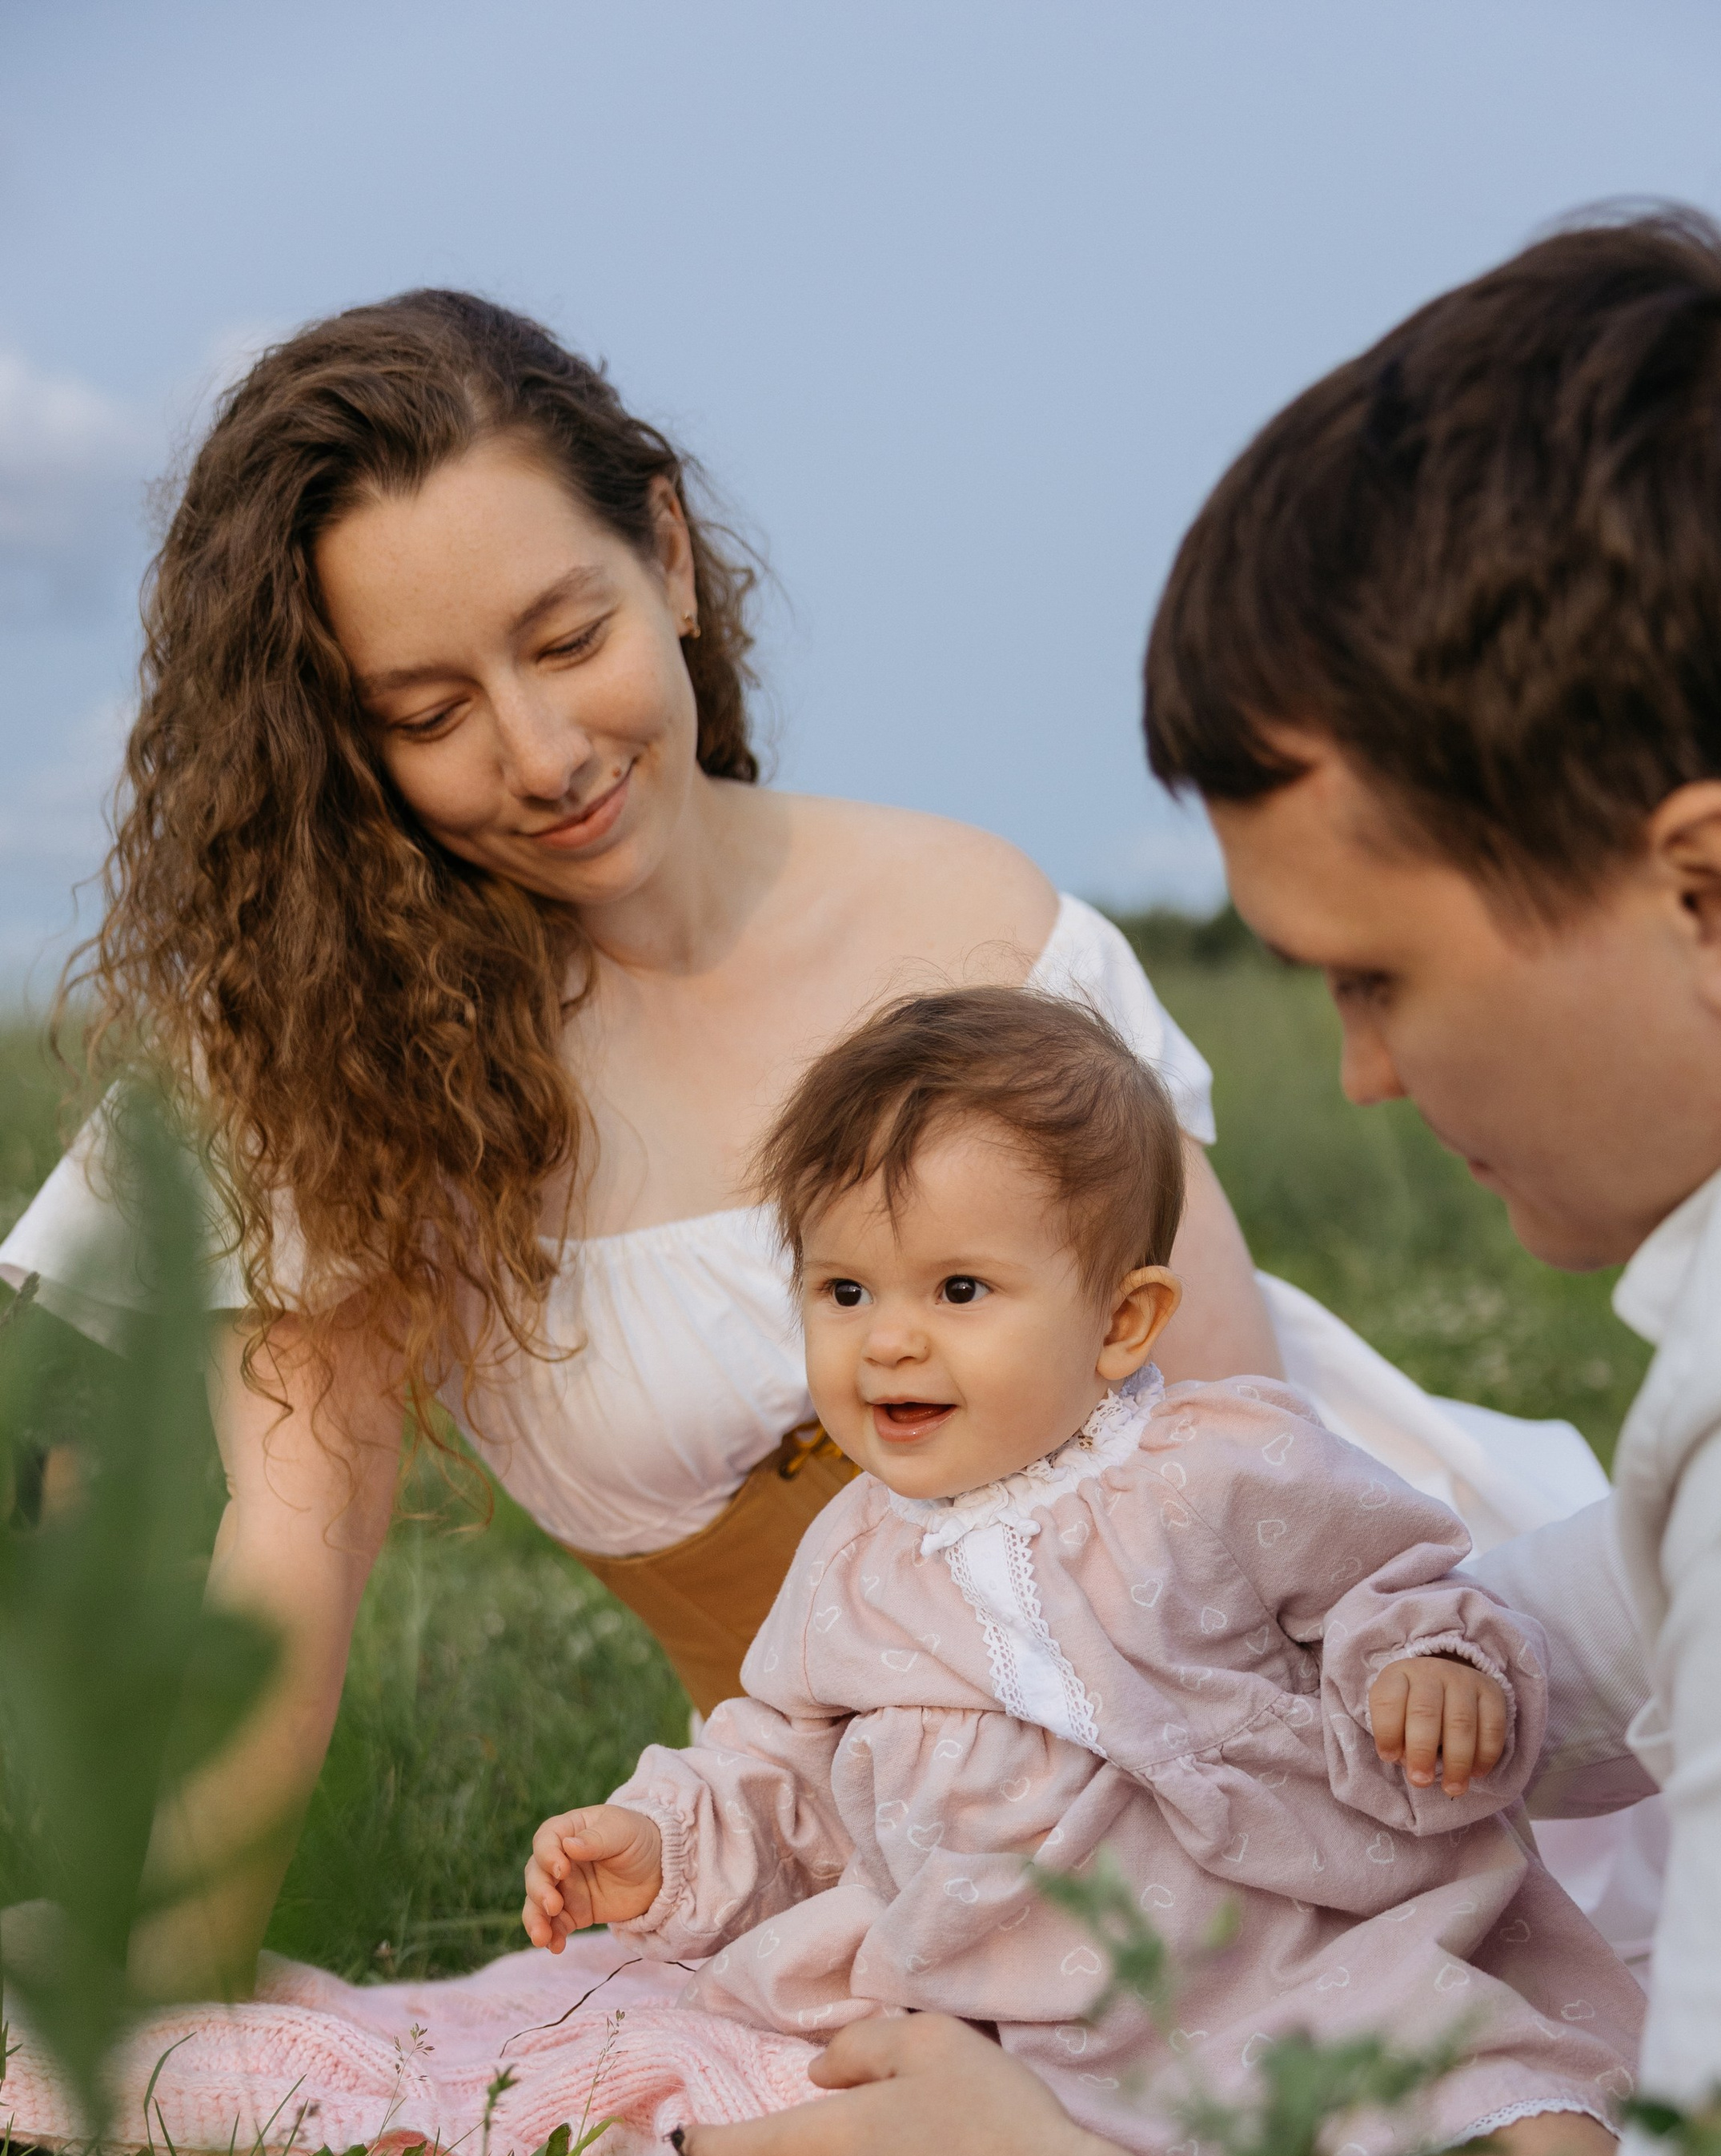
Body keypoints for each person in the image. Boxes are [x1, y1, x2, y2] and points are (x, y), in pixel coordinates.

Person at [681, 207, 1721, 2156]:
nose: (1362, 1078)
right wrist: (1474, 1661)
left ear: (1715, 894)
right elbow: (1658, 1583)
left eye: (1376, 974)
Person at [2, 287, 1607, 2007]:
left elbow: (1228, 1477)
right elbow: (289, 1553)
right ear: (341, 742)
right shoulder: (345, 1058)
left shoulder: (975, 926)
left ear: (670, 560)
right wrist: (159, 1968)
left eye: (563, 639)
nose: (538, 755)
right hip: (883, 1827)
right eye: (426, 712)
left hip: (1337, 1675)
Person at [518, 987, 1641, 2156]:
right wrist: (669, 1839)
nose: (887, 1342)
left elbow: (1384, 1585)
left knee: (1490, 2129)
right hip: (1014, 2011)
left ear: (1120, 1322)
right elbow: (789, 1768)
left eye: (957, 1292)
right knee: (869, 2144)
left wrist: (1426, 1664)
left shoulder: (1214, 1466)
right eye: (844, 1292)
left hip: (1290, 1945)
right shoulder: (853, 1557)